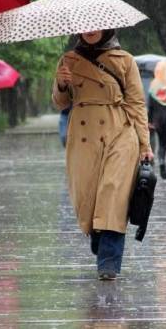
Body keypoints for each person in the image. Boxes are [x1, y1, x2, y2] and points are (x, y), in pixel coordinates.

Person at [52, 29, 153, 281]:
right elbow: (60, 102)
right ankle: (101, 239)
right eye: (84, 27)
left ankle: (108, 263)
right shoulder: (68, 60)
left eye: (95, 26)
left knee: (113, 196)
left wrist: (144, 144)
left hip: (119, 132)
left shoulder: (125, 59)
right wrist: (62, 83)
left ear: (107, 28)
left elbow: (137, 103)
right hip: (83, 136)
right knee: (89, 196)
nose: (90, 32)